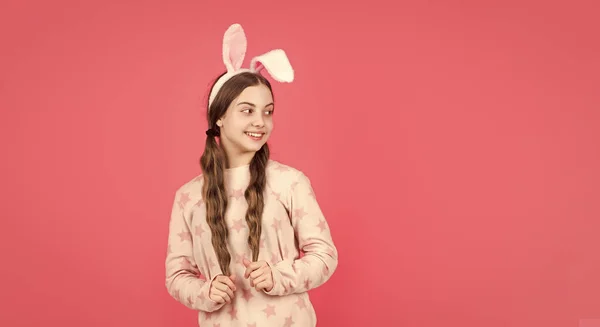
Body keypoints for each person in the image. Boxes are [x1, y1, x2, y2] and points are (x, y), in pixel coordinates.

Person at [164, 23, 338, 327]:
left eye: (267, 111)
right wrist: (205, 291)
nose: (261, 122)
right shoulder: (188, 196)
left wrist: (278, 276)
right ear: (219, 116)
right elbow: (177, 276)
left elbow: (324, 256)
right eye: (247, 110)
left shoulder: (290, 182)